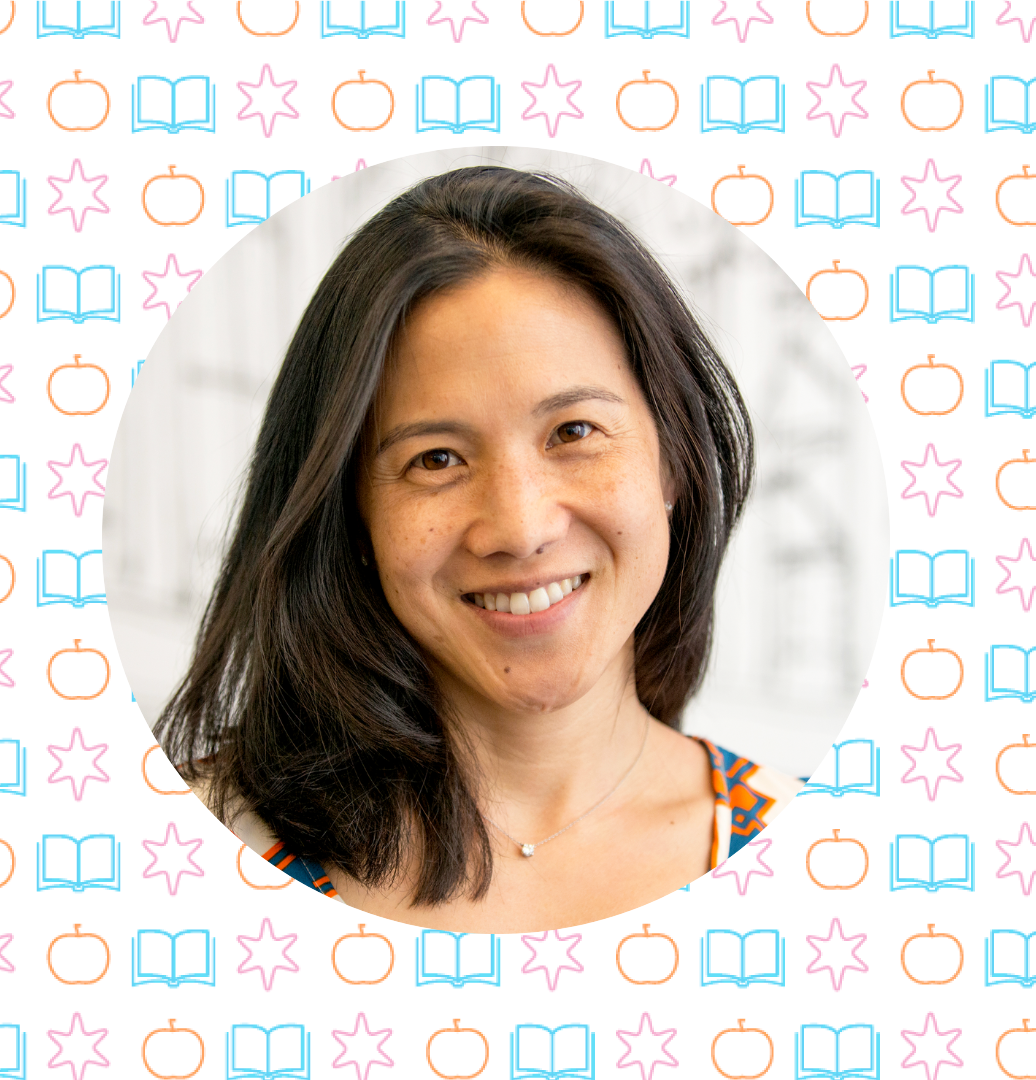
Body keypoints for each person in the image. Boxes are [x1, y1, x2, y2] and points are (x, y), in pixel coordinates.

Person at [158, 165, 804, 933]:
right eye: (436, 459)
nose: (521, 529)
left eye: (573, 432)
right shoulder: (183, 852)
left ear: (674, 459)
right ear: (351, 513)